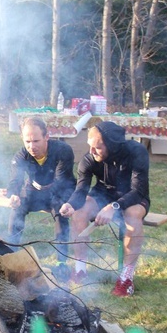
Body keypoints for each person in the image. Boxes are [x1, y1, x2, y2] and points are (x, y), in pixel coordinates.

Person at [59, 121, 150, 297]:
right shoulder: (89, 158)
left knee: (132, 215)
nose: (92, 152)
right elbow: (81, 190)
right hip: (103, 193)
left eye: (98, 148)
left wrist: (114, 206)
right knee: (79, 212)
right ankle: (80, 269)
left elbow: (138, 190)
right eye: (90, 147)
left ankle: (126, 278)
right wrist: (70, 204)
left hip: (133, 196)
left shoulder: (136, 152)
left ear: (112, 145)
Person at [4, 117, 76, 281]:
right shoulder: (22, 155)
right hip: (34, 190)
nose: (32, 146)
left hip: (61, 190)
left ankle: (61, 263)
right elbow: (16, 179)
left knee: (61, 210)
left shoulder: (63, 151)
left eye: (36, 141)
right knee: (18, 208)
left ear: (47, 137)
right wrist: (14, 194)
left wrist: (59, 200)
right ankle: (10, 254)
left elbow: (61, 181)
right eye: (27, 141)